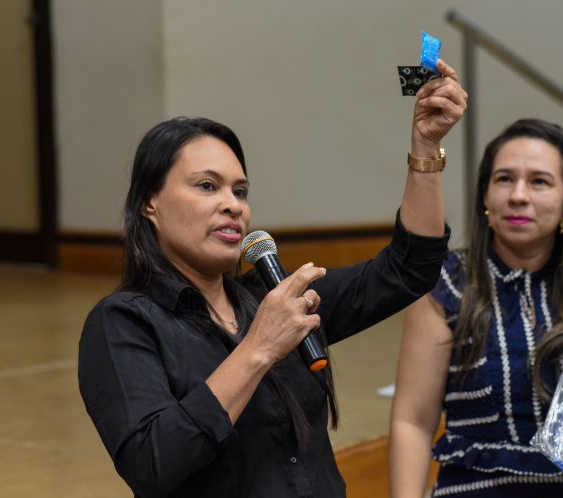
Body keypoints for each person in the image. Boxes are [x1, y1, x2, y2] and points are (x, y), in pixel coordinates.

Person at [78, 59, 467, 498]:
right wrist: (260, 346)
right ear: (150, 203)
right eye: (207, 186)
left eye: (239, 191)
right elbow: (152, 463)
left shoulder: (276, 300)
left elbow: (409, 268)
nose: (233, 205)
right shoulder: (123, 323)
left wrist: (426, 147)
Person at [388, 119, 563, 498]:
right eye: (504, 179)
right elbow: (413, 421)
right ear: (485, 195)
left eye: (539, 181)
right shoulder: (446, 284)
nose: (518, 195)